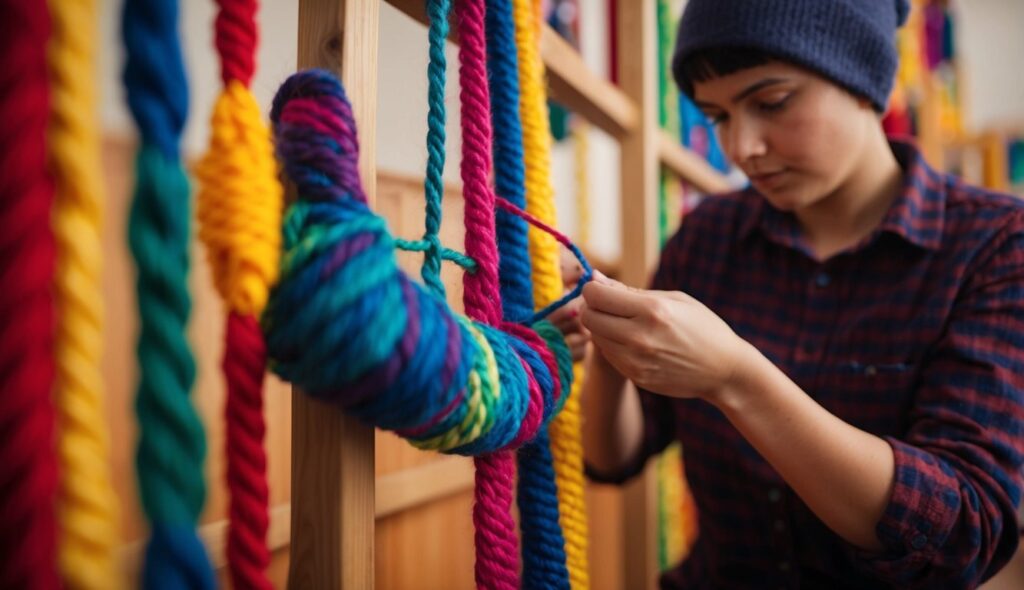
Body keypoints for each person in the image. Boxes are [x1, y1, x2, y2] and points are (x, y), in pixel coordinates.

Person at [552, 0, 1024, 587]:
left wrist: (736, 378)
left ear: (864, 81)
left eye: (771, 102)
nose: (742, 148)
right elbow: (612, 459)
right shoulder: (708, 236)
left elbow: (962, 538)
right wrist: (611, 350)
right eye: (716, 116)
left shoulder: (996, 244)